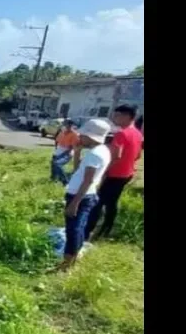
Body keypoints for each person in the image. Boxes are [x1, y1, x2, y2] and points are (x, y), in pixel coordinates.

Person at [59, 119, 113, 272]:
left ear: (91, 136)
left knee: (73, 229)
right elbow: (78, 171)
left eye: (83, 135)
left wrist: (75, 203)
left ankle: (67, 265)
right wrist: (77, 152)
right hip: (85, 195)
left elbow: (88, 179)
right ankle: (75, 256)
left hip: (80, 197)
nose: (80, 137)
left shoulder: (95, 154)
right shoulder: (99, 151)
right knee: (79, 227)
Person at [84, 105, 144, 241]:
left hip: (114, 175)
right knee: (112, 202)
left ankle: (88, 231)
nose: (114, 118)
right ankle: (107, 228)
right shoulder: (138, 134)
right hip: (127, 174)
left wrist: (104, 172)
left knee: (98, 203)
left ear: (127, 116)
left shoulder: (121, 134)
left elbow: (116, 156)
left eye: (117, 115)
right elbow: (138, 155)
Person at [50, 120, 79, 185]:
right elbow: (57, 141)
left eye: (70, 126)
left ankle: (65, 182)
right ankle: (53, 179)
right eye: (66, 125)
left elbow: (72, 147)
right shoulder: (62, 132)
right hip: (58, 151)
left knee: (57, 164)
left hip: (66, 153)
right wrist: (56, 150)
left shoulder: (74, 135)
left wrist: (63, 154)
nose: (68, 127)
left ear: (72, 126)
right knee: (53, 166)